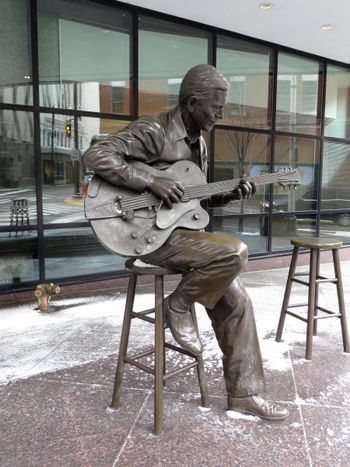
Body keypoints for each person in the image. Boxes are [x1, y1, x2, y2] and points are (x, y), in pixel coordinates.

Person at [83, 64, 289, 421]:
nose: (220, 114)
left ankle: (245, 394)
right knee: (235, 251)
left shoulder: (200, 145)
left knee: (239, 299)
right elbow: (97, 155)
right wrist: (149, 179)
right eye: (215, 107)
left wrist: (227, 195)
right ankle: (177, 306)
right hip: (146, 235)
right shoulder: (155, 130)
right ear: (193, 102)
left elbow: (191, 201)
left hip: (180, 234)